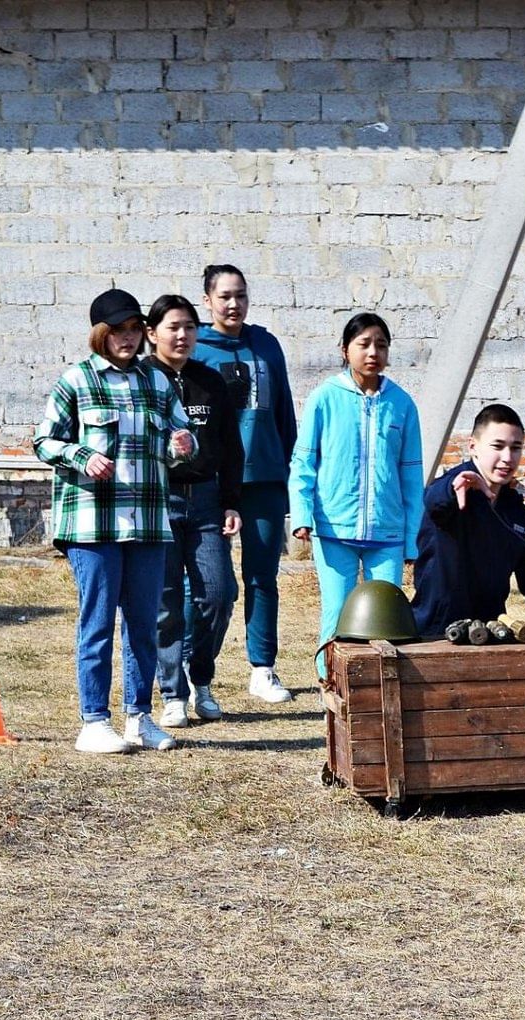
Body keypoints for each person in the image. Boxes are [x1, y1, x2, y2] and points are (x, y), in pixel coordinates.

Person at [33, 288, 193, 755]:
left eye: (132, 330)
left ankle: (139, 718)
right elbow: (44, 441)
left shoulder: (157, 382)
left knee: (143, 624)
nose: (127, 339)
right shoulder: (75, 381)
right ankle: (93, 719)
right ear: (100, 334)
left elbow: (176, 438)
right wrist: (82, 455)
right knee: (98, 622)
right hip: (92, 524)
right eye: (118, 331)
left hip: (146, 522)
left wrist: (181, 445)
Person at [289, 312, 424, 672]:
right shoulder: (324, 398)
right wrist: (302, 515)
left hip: (387, 532)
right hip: (335, 528)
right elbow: (303, 463)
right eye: (363, 344)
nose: (372, 352)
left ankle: (380, 690)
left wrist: (412, 539)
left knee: (387, 617)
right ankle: (331, 687)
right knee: (337, 612)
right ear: (344, 349)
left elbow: (411, 476)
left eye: (381, 344)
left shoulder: (402, 404)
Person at [193, 263, 298, 704]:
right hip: (212, 484)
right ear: (208, 301)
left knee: (262, 577)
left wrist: (285, 465)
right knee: (207, 584)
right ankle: (194, 672)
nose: (233, 304)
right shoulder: (196, 349)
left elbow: (284, 414)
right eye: (225, 297)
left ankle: (262, 668)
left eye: (241, 295)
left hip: (265, 478)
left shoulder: (266, 345)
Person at [143, 294, 243, 729]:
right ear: (152, 333)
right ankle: (172, 692)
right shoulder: (142, 379)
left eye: (189, 327)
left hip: (205, 499)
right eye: (172, 327)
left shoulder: (210, 380)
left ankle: (200, 676)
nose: (182, 335)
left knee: (219, 595)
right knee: (165, 603)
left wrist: (231, 501)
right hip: (157, 499)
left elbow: (231, 447)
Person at [411, 404, 525, 638]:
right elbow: (434, 502)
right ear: (473, 447)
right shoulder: (452, 491)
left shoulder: (519, 514)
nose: (507, 458)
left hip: (489, 635)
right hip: (434, 633)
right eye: (498, 446)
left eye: (516, 448)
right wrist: (452, 487)